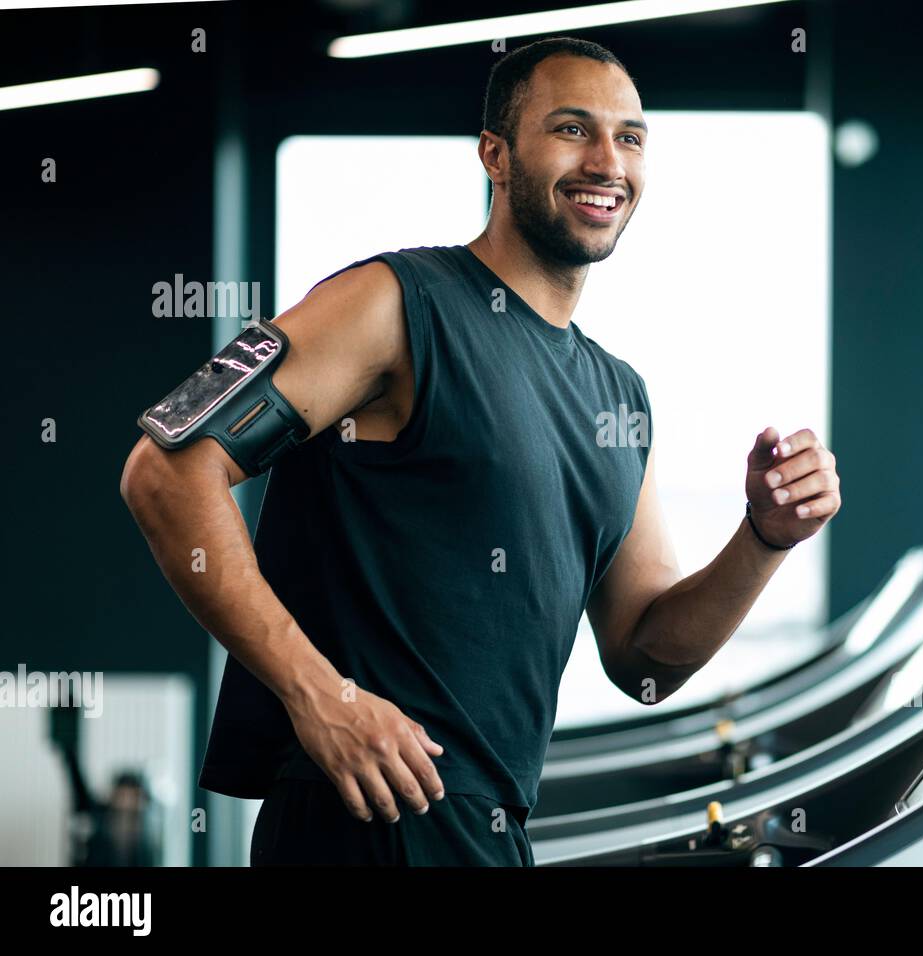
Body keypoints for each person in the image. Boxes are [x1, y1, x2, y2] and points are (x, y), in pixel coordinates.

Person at [120, 36, 841, 867]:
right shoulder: (392, 303)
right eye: (572, 129)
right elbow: (168, 469)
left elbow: (645, 656)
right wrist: (319, 694)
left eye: (630, 136)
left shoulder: (618, 396)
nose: (608, 160)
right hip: (366, 823)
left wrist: (763, 540)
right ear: (495, 155)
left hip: (492, 833)